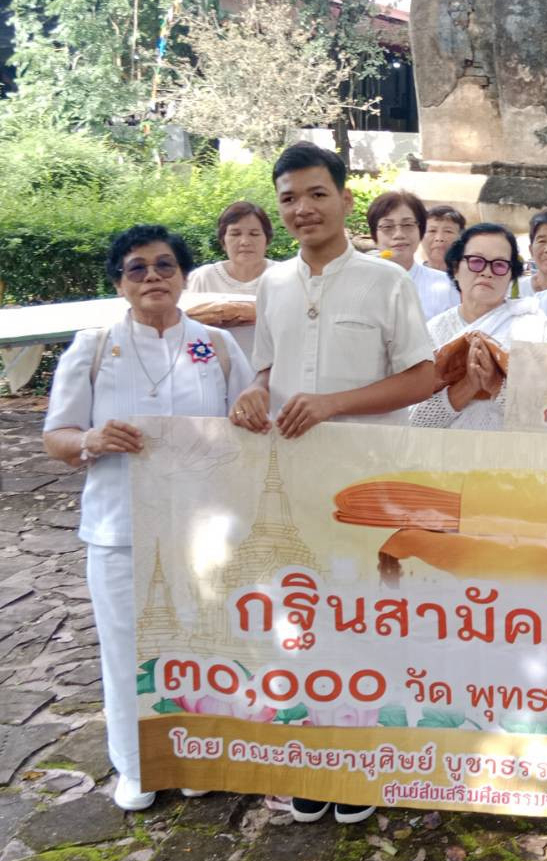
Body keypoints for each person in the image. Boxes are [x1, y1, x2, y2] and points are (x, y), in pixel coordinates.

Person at [231, 143, 436, 826]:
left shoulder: (386, 282)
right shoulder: (273, 285)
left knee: (368, 617)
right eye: (288, 197)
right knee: (304, 619)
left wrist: (332, 404)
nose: (302, 209)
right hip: (292, 480)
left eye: (316, 194)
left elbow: (423, 376)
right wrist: (255, 397)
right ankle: (315, 760)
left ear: (346, 201)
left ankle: (368, 758)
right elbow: (266, 371)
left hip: (370, 481)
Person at [43, 225, 254, 810]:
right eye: (136, 268)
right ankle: (135, 765)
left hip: (203, 526)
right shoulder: (93, 347)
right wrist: (90, 437)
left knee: (197, 643)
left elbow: (247, 420)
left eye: (165, 266)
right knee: (123, 646)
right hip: (118, 525)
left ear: (185, 277)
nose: (153, 277)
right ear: (119, 282)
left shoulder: (215, 344)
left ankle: (195, 756)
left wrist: (252, 411)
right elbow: (55, 438)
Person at [411, 223, 547, 430]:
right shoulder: (434, 330)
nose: (487, 272)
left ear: (510, 275)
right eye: (476, 261)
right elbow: (414, 421)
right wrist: (468, 385)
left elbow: (544, 414)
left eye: (499, 265)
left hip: (511, 457)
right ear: (455, 269)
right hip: (444, 456)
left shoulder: (532, 322)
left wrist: (496, 385)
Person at [186, 201, 274, 357]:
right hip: (215, 368)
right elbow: (187, 330)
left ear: (267, 240)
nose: (245, 241)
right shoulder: (203, 278)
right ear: (223, 241)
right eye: (235, 234)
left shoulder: (283, 276)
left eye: (254, 234)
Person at [366, 189, 454, 321]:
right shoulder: (357, 285)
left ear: (420, 231)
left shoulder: (447, 286)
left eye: (407, 224)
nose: (399, 234)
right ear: (374, 236)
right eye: (387, 227)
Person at [423, 204, 465, 271]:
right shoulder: (408, 277)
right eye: (432, 231)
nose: (439, 238)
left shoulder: (469, 277)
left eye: (448, 231)